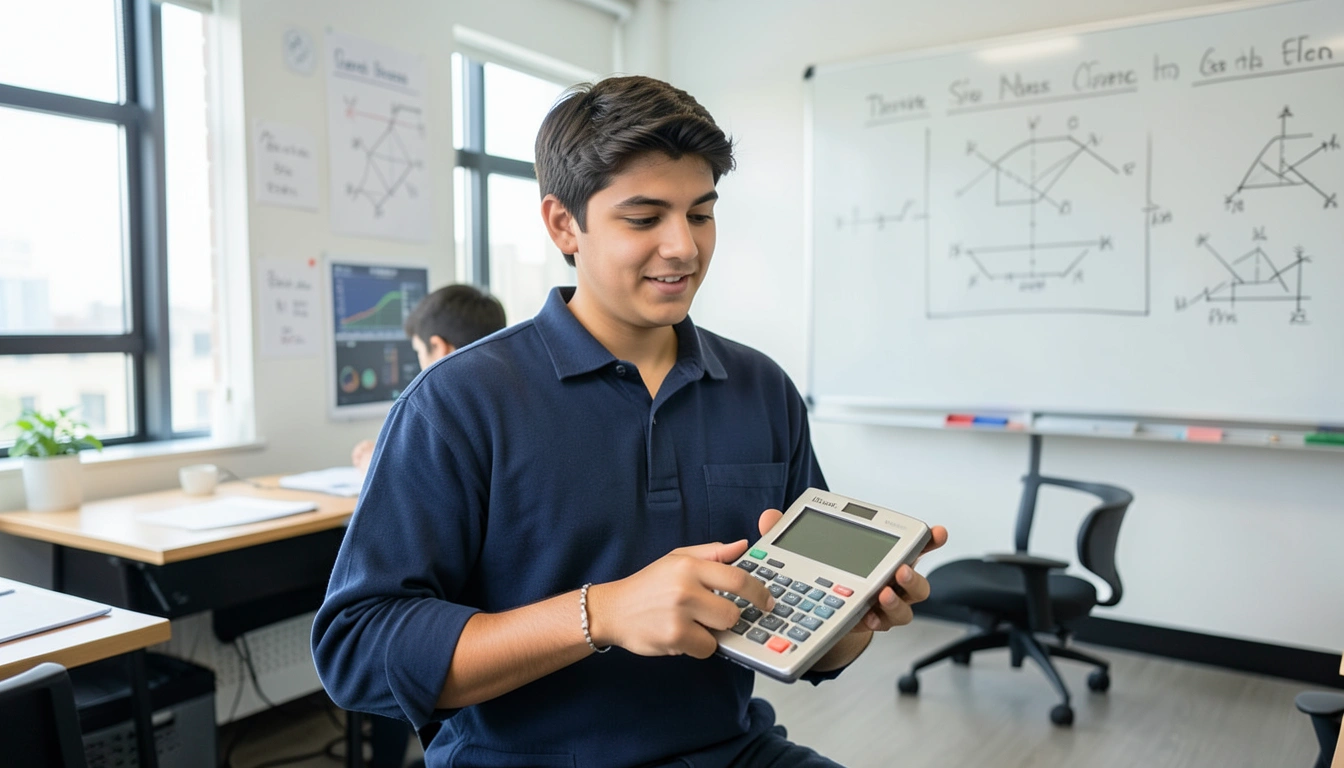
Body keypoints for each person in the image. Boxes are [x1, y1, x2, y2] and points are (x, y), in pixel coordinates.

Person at [313, 75, 948, 767]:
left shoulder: (761, 388)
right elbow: (358, 651)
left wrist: (856, 619)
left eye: (701, 214)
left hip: (730, 750)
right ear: (563, 224)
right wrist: (602, 614)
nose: (683, 247)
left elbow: (813, 647)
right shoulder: (457, 401)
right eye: (645, 219)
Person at [350, 284, 506, 473]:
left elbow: (428, 482)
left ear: (439, 347)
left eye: (419, 352)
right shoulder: (515, 397)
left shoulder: (441, 408)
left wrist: (377, 464)